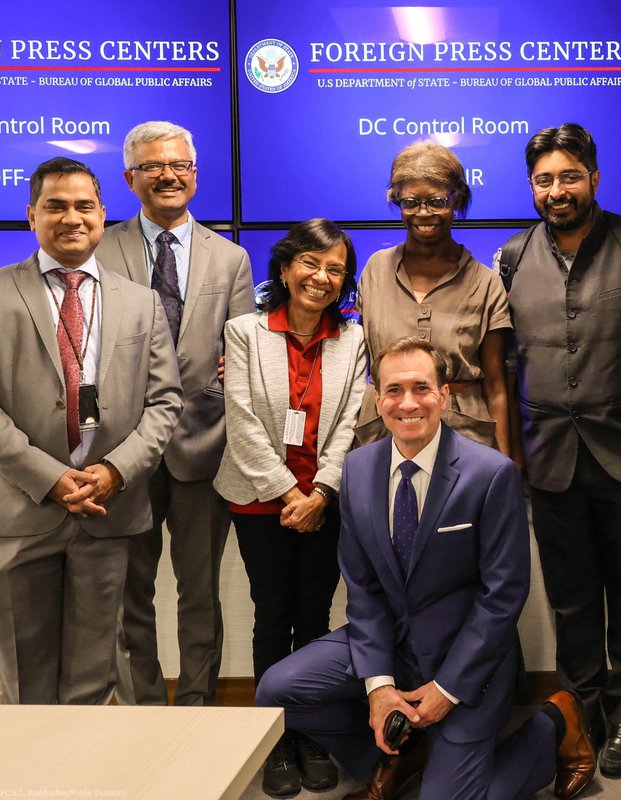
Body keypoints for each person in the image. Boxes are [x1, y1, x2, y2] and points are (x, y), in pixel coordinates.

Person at [255, 337, 597, 800]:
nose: (408, 402)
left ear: (445, 396)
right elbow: (364, 588)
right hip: (392, 646)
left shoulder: (490, 474)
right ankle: (400, 757)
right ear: (378, 400)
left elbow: (504, 595)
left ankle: (553, 727)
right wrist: (378, 687)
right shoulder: (356, 470)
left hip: (467, 660)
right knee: (277, 689)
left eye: (422, 388)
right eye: (394, 390)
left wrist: (449, 688)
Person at [0, 156, 182, 704]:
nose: (71, 217)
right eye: (55, 206)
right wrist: (52, 478)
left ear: (103, 215)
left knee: (91, 682)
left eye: (84, 206)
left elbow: (165, 401)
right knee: (26, 684)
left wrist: (116, 470)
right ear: (32, 215)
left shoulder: (141, 301)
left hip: (109, 511)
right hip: (17, 513)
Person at [496, 122, 621, 778]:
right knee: (572, 597)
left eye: (569, 176)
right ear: (531, 187)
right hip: (550, 456)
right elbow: (507, 361)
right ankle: (582, 710)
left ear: (595, 179)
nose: (557, 189)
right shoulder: (512, 257)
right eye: (544, 179)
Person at [95, 120, 254, 708]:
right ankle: (142, 710)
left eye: (180, 165)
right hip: (122, 452)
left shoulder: (230, 257)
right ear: (129, 177)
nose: (168, 176)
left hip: (202, 448)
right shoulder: (100, 247)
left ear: (195, 173)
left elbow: (239, 351)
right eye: (153, 167)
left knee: (199, 591)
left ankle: (195, 708)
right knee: (128, 590)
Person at [213, 219, 367, 797]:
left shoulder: (353, 339)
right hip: (260, 501)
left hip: (327, 503)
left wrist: (321, 493)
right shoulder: (244, 332)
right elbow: (242, 421)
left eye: (335, 269)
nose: (321, 277)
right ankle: (273, 735)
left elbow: (351, 422)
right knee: (272, 614)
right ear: (284, 268)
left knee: (317, 616)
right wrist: (289, 494)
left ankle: (310, 730)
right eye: (310, 263)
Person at [355, 141, 510, 453]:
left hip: (464, 439)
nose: (422, 214)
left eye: (437, 201)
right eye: (410, 202)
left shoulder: (486, 282)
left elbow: (495, 386)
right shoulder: (375, 269)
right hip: (384, 435)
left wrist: (505, 465)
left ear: (458, 200)